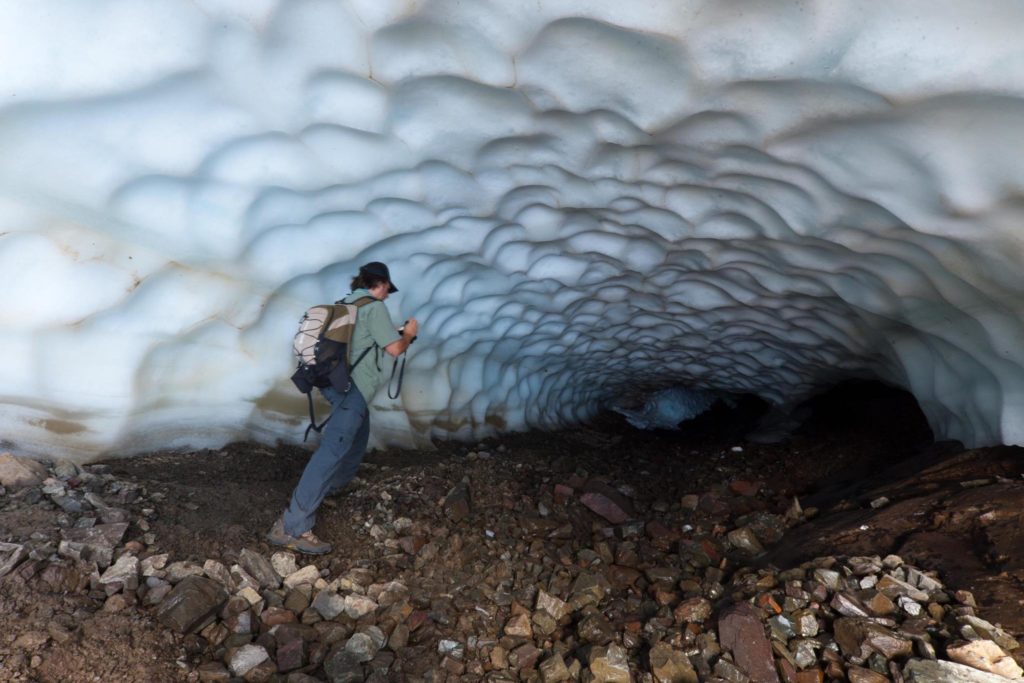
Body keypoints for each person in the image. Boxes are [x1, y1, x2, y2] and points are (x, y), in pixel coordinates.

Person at [268, 261, 419, 554]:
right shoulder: (374, 308)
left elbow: (363, 340)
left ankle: (332, 487)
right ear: (382, 284)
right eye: (388, 289)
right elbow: (395, 349)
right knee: (333, 450)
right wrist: (409, 333)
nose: (388, 295)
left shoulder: (347, 305)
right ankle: (292, 527)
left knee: (357, 438)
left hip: (336, 385)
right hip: (354, 391)